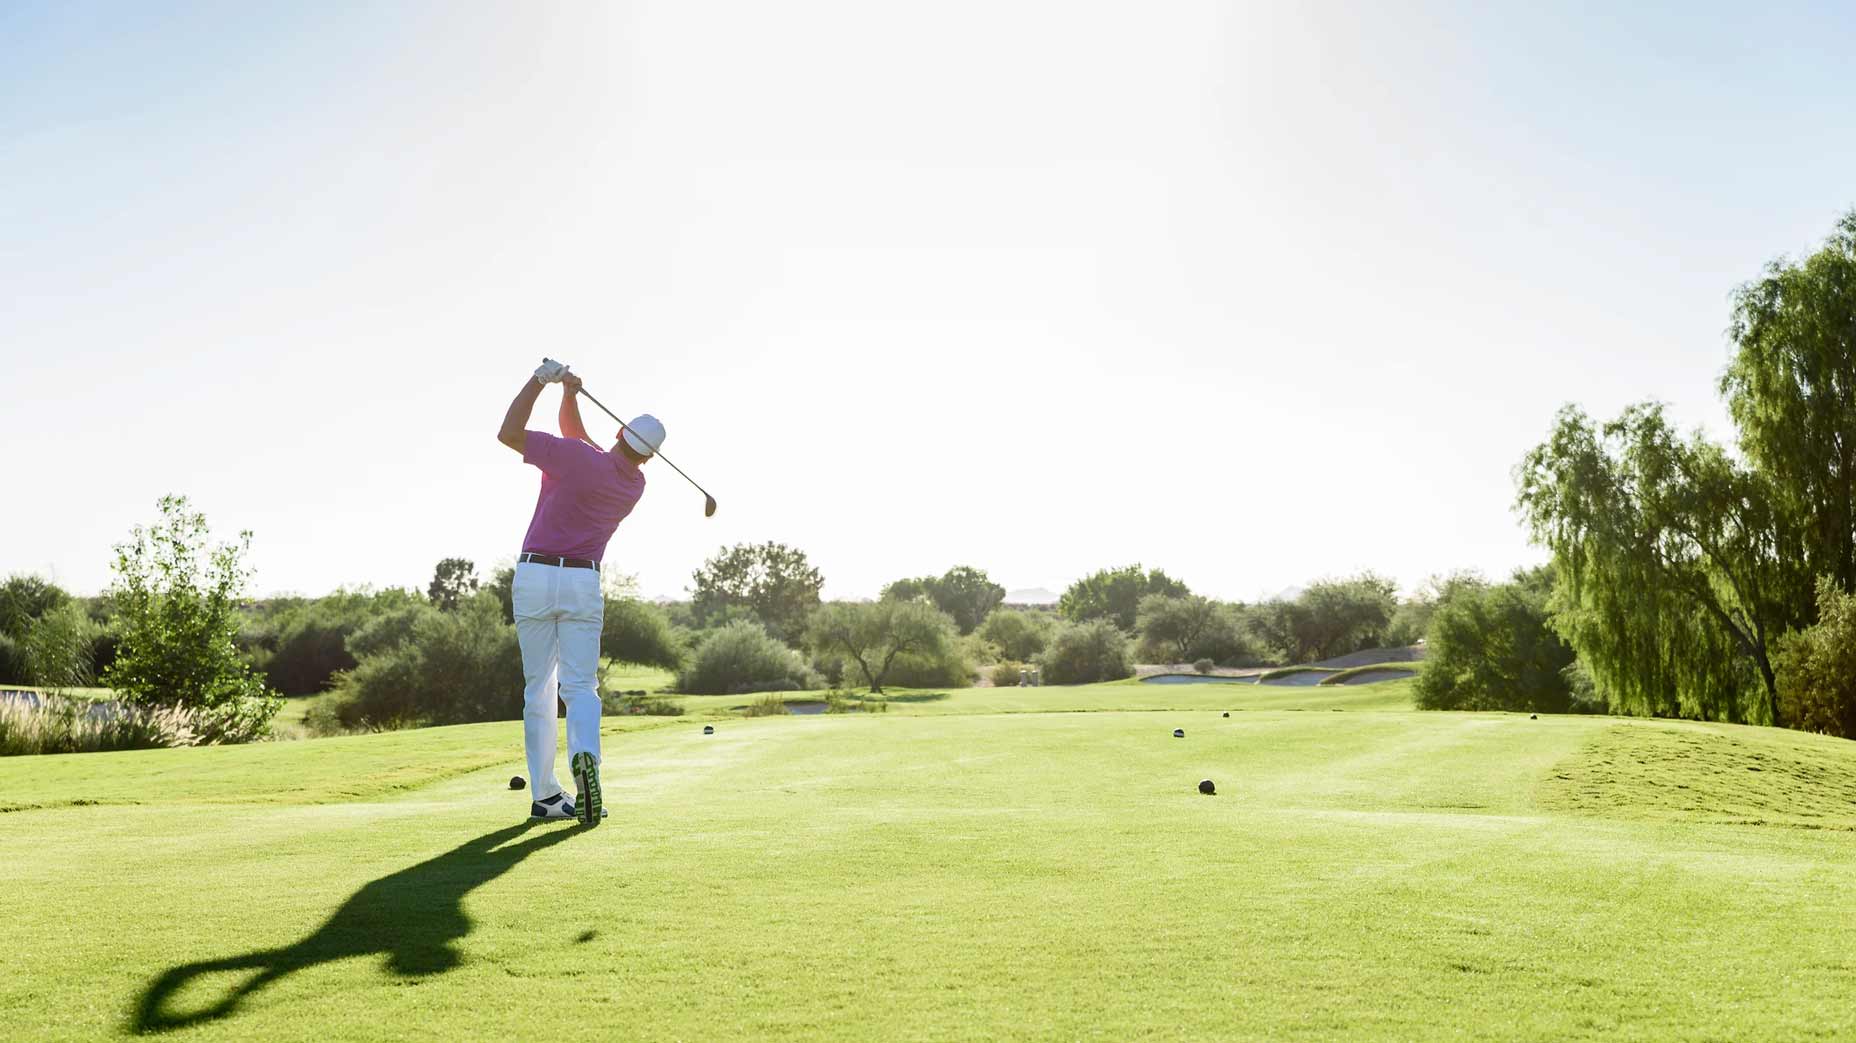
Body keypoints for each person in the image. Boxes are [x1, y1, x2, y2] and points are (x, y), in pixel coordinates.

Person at [496, 359, 664, 827]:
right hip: (582, 583)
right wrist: (570, 395)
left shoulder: (574, 457)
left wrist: (539, 381)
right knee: (580, 686)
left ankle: (546, 796)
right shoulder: (633, 484)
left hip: (535, 576)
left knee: (539, 688)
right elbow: (579, 438)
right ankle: (584, 756)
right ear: (648, 457)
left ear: (619, 433)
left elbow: (509, 433)